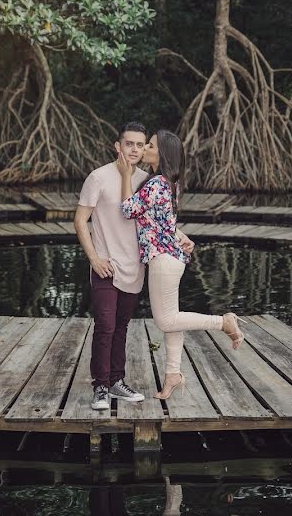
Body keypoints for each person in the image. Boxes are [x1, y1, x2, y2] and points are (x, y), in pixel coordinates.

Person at [75, 122, 195, 411]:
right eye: (129, 143)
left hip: (136, 267)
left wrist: (181, 236)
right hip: (107, 264)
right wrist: (94, 258)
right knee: (105, 325)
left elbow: (155, 217)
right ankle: (101, 387)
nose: (135, 149)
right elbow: (80, 221)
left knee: (121, 327)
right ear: (118, 146)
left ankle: (116, 381)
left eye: (142, 145)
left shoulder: (147, 180)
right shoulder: (98, 177)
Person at [117, 129, 244, 400]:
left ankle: (223, 322)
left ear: (160, 153)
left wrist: (126, 176)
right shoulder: (170, 183)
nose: (143, 149)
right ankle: (173, 374)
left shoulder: (154, 184)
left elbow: (127, 210)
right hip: (171, 257)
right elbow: (166, 223)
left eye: (149, 145)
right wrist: (183, 237)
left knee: (166, 320)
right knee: (173, 319)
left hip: (163, 260)